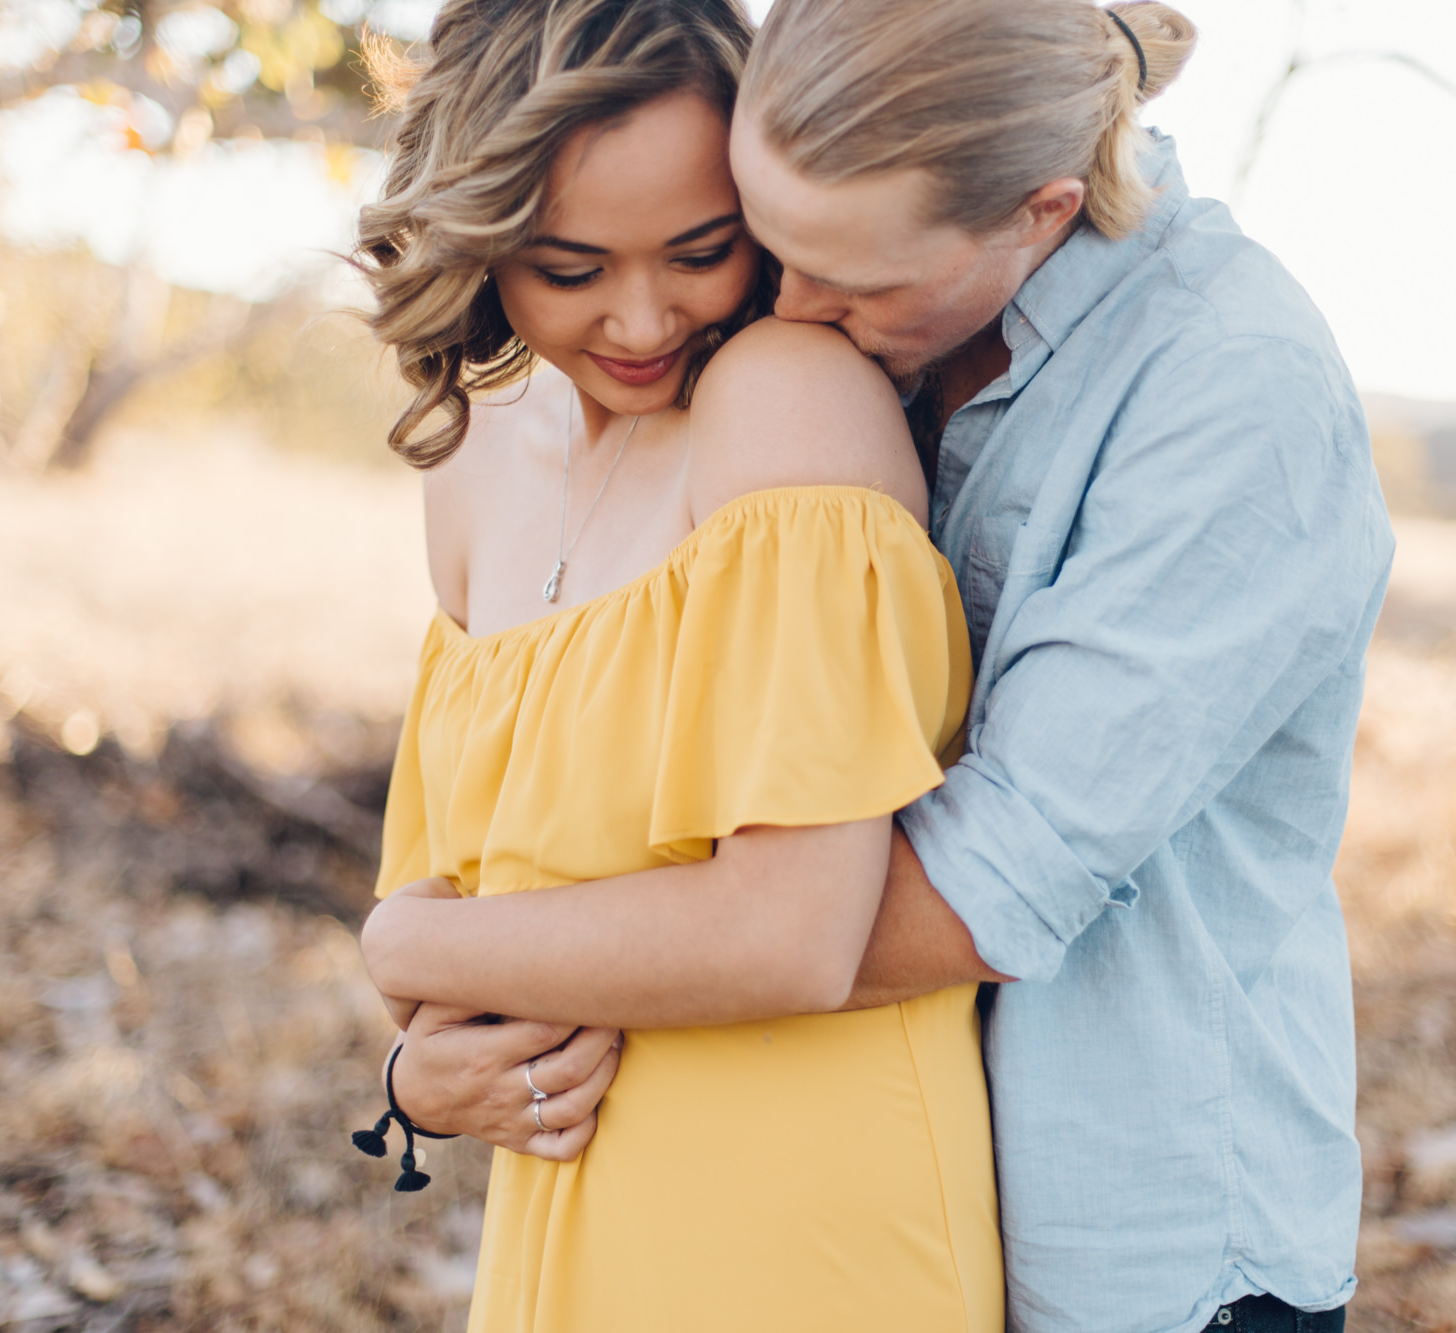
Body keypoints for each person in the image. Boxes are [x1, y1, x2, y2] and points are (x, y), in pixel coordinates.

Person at [368, 1, 1395, 1331]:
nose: (787, 311)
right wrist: (425, 1043)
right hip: (692, 1190)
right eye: (771, 246)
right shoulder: (847, 326)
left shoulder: (1228, 388)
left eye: (837, 275)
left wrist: (443, 950)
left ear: (1039, 212)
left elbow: (937, 892)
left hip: (1139, 1243)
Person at [352, 1, 1001, 1330]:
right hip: (564, 1224)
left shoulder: (785, 399)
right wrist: (420, 1073)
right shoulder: (473, 465)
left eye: (701, 251)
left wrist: (405, 938)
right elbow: (464, 957)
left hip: (802, 1228)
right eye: (569, 266)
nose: (643, 317)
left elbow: (794, 930)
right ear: (481, 239)